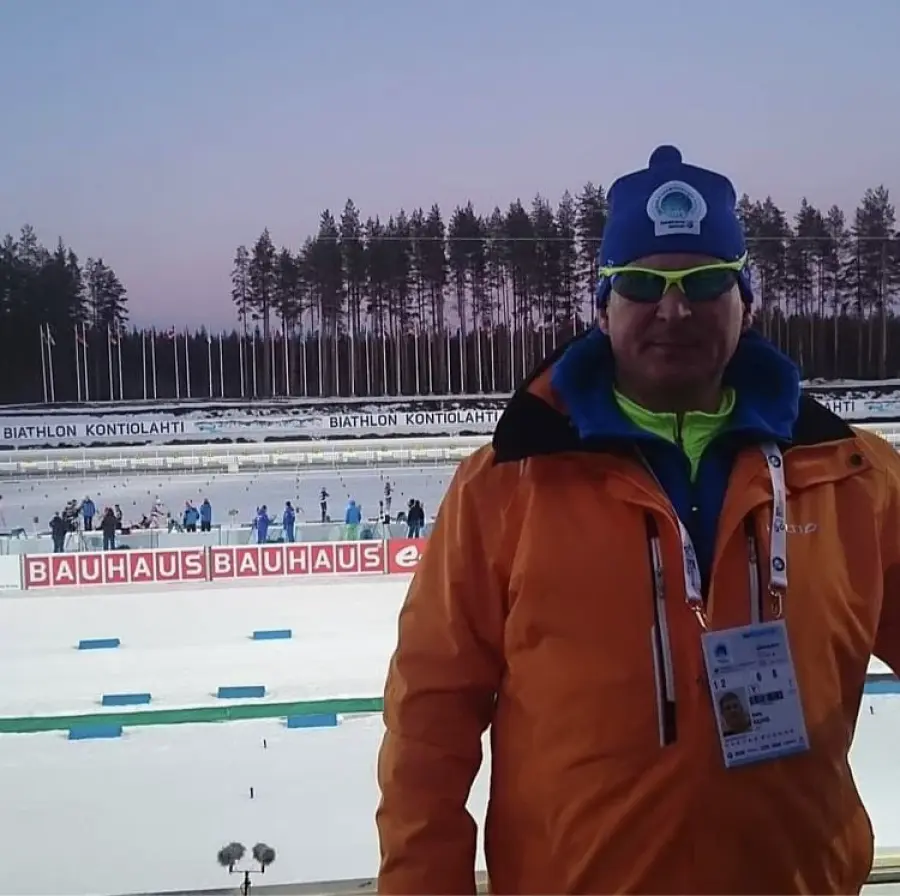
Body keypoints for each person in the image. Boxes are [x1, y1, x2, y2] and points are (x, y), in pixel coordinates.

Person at [375, 145, 900, 895]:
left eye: (705, 281)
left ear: (747, 300)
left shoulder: (855, 477)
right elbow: (429, 724)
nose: (674, 309)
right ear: (602, 306)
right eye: (642, 284)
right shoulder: (506, 486)